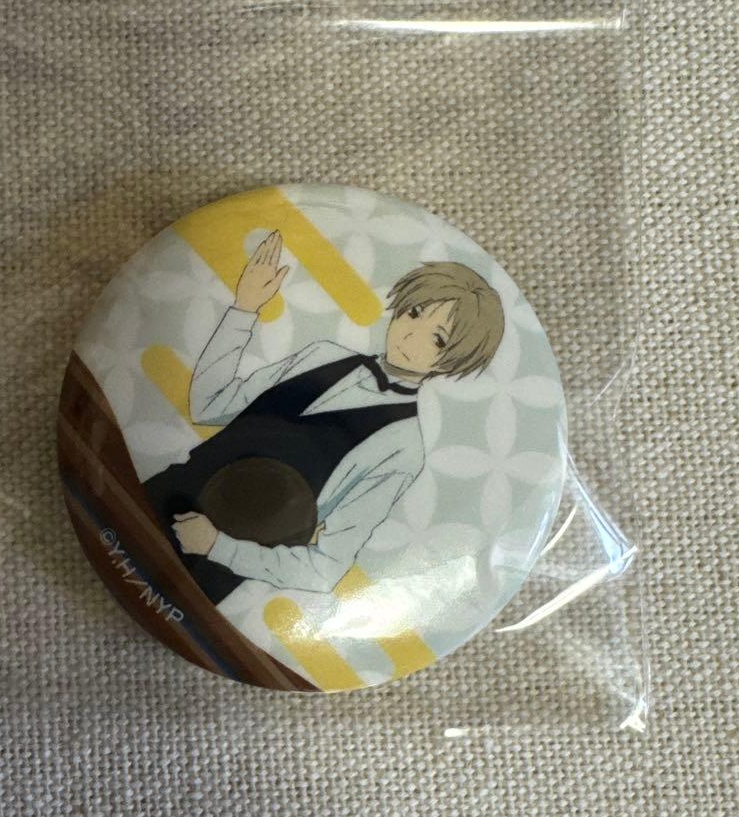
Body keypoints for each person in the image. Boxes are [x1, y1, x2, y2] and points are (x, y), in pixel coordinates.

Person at [142, 230, 505, 605]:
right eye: (414, 313)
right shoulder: (321, 355)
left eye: (438, 338)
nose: (412, 335)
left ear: (451, 363)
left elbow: (325, 568)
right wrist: (244, 308)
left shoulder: (401, 447)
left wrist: (218, 547)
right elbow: (209, 405)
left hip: (200, 574)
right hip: (155, 498)